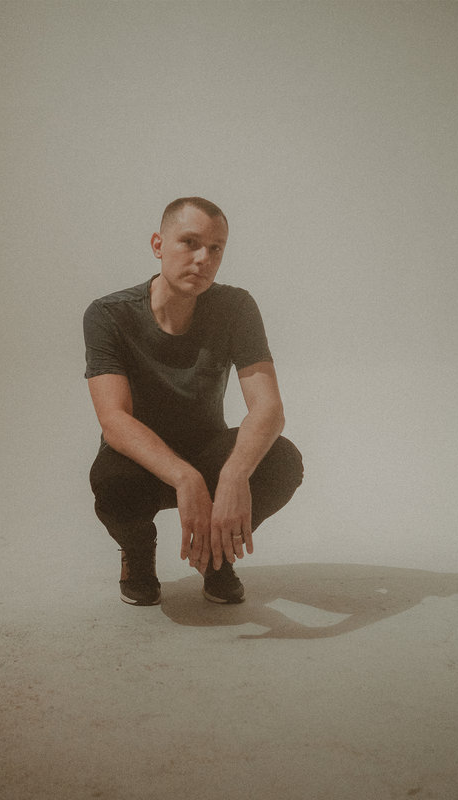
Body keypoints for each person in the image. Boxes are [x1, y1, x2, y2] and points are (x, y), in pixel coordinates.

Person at [83, 197, 304, 606]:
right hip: (140, 461)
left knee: (282, 460)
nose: (204, 258)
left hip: (208, 452)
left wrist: (234, 474)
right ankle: (138, 555)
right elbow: (114, 420)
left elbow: (269, 409)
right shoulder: (109, 314)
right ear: (158, 245)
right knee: (112, 485)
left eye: (216, 248)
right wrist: (186, 478)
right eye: (189, 242)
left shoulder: (235, 307)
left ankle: (216, 555)